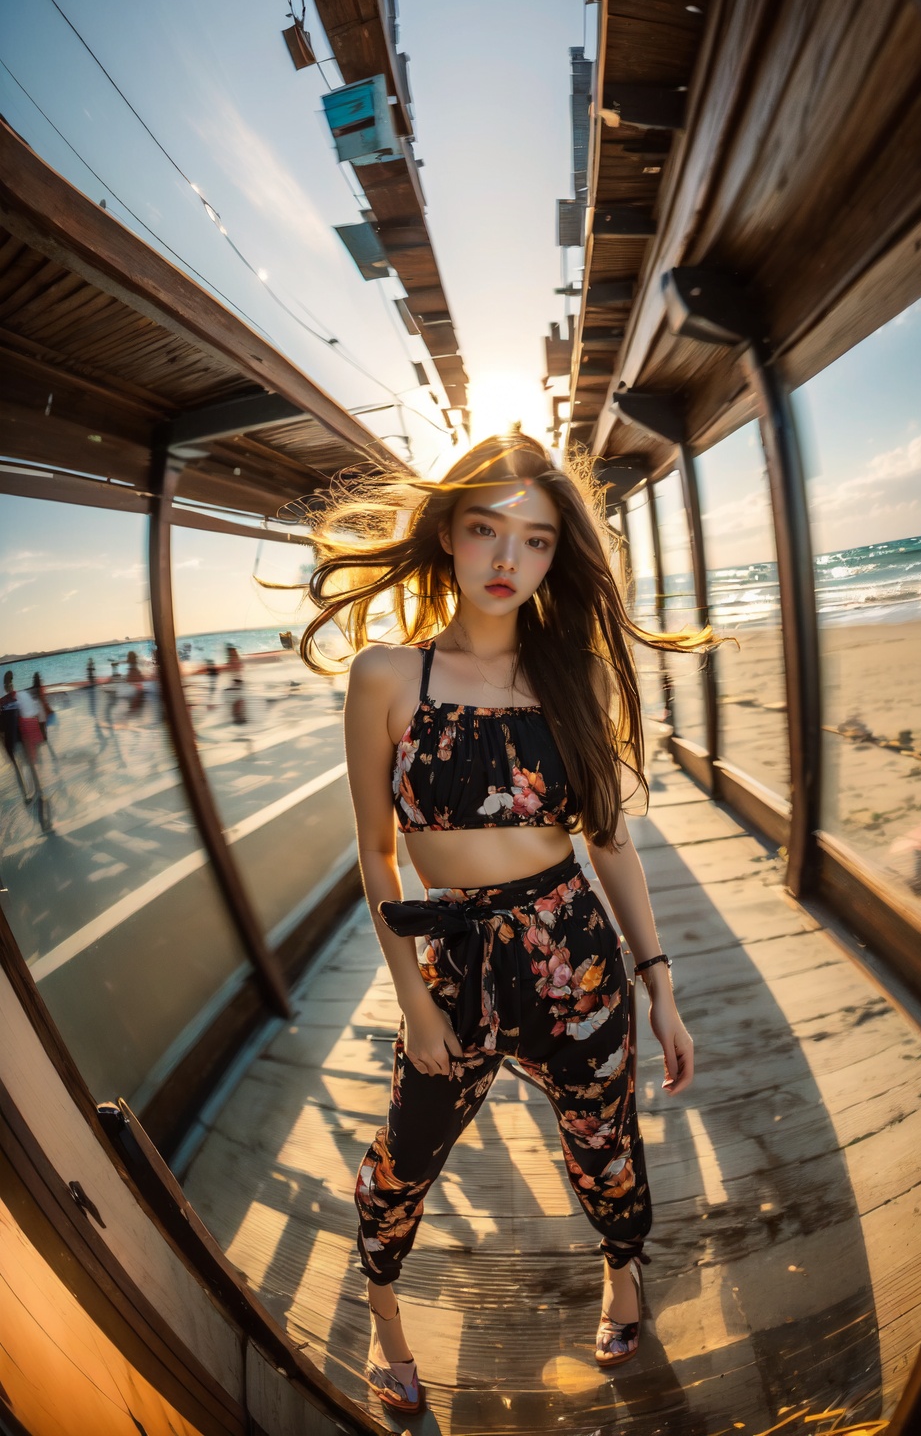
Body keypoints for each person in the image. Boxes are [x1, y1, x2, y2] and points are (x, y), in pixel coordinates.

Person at [299, 434, 712, 1416]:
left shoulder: (575, 676)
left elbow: (608, 840)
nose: (504, 560)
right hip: (454, 961)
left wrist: (658, 982)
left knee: (603, 1144)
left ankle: (621, 1274)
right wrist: (411, 999)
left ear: (553, 555)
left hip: (574, 951)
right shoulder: (387, 677)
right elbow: (376, 851)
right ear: (447, 532)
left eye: (532, 540)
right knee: (401, 1160)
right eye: (485, 530)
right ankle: (385, 1315)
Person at [1, 671, 31, 801]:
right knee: (24, 764)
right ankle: (28, 793)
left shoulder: (8, 701)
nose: (11, 687)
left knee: (20, 766)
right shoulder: (14, 700)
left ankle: (27, 794)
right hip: (14, 738)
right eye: (10, 685)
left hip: (12, 739)